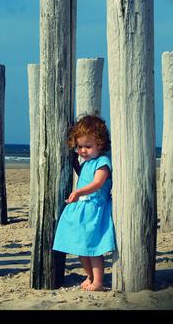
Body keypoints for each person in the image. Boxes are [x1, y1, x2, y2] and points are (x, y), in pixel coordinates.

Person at [53, 114, 116, 291]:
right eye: (79, 146)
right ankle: (89, 275)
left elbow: (97, 183)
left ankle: (98, 280)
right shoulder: (87, 162)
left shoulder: (102, 162)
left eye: (88, 146)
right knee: (80, 248)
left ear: (100, 144)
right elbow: (86, 177)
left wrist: (78, 191)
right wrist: (77, 166)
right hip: (82, 208)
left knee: (93, 248)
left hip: (94, 208)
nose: (83, 151)